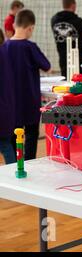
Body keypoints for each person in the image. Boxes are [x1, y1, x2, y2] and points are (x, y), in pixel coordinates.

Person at [3, 9, 51, 160]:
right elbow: (47, 66)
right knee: (31, 135)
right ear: (30, 28)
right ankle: (30, 163)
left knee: (13, 136)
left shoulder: (4, 47)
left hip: (11, 103)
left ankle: (15, 164)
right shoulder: (30, 47)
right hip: (29, 101)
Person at [51, 0, 82, 78]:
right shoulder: (78, 21)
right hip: (78, 58)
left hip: (63, 57)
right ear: (73, 5)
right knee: (79, 82)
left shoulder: (54, 20)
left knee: (65, 81)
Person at [0, 45, 16, 164]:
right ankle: (13, 174)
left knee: (5, 144)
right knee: (6, 144)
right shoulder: (5, 53)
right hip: (7, 107)